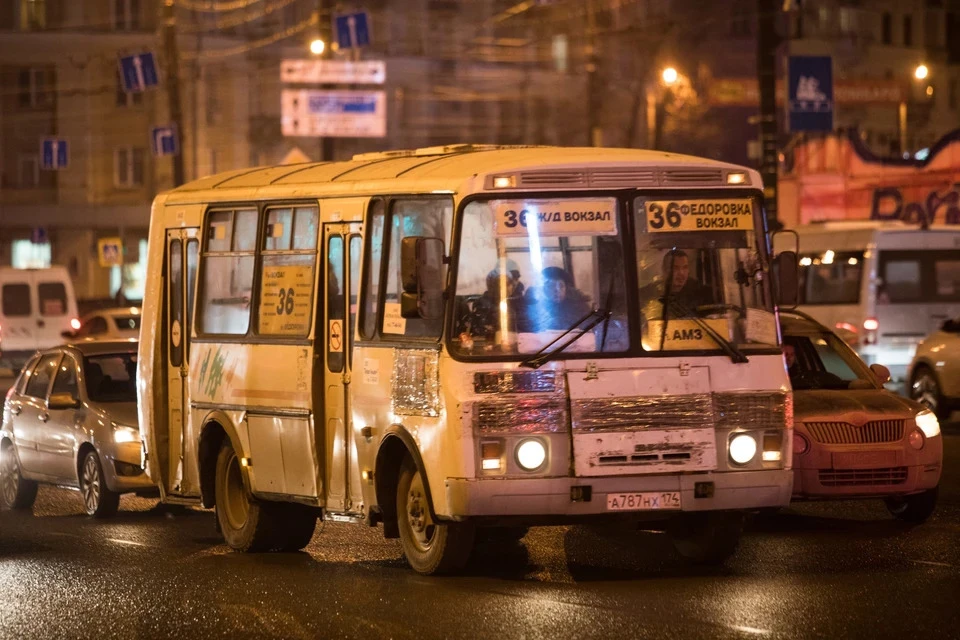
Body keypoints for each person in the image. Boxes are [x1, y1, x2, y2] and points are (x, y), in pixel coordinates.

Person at [641, 249, 713, 317]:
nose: (681, 273)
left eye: (685, 267)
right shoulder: (648, 295)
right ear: (664, 270)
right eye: (675, 268)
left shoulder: (701, 294)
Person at [519, 266, 592, 332]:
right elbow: (526, 331)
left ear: (566, 288)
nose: (557, 290)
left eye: (561, 286)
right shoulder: (532, 306)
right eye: (551, 286)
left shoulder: (579, 307)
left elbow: (588, 328)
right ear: (543, 288)